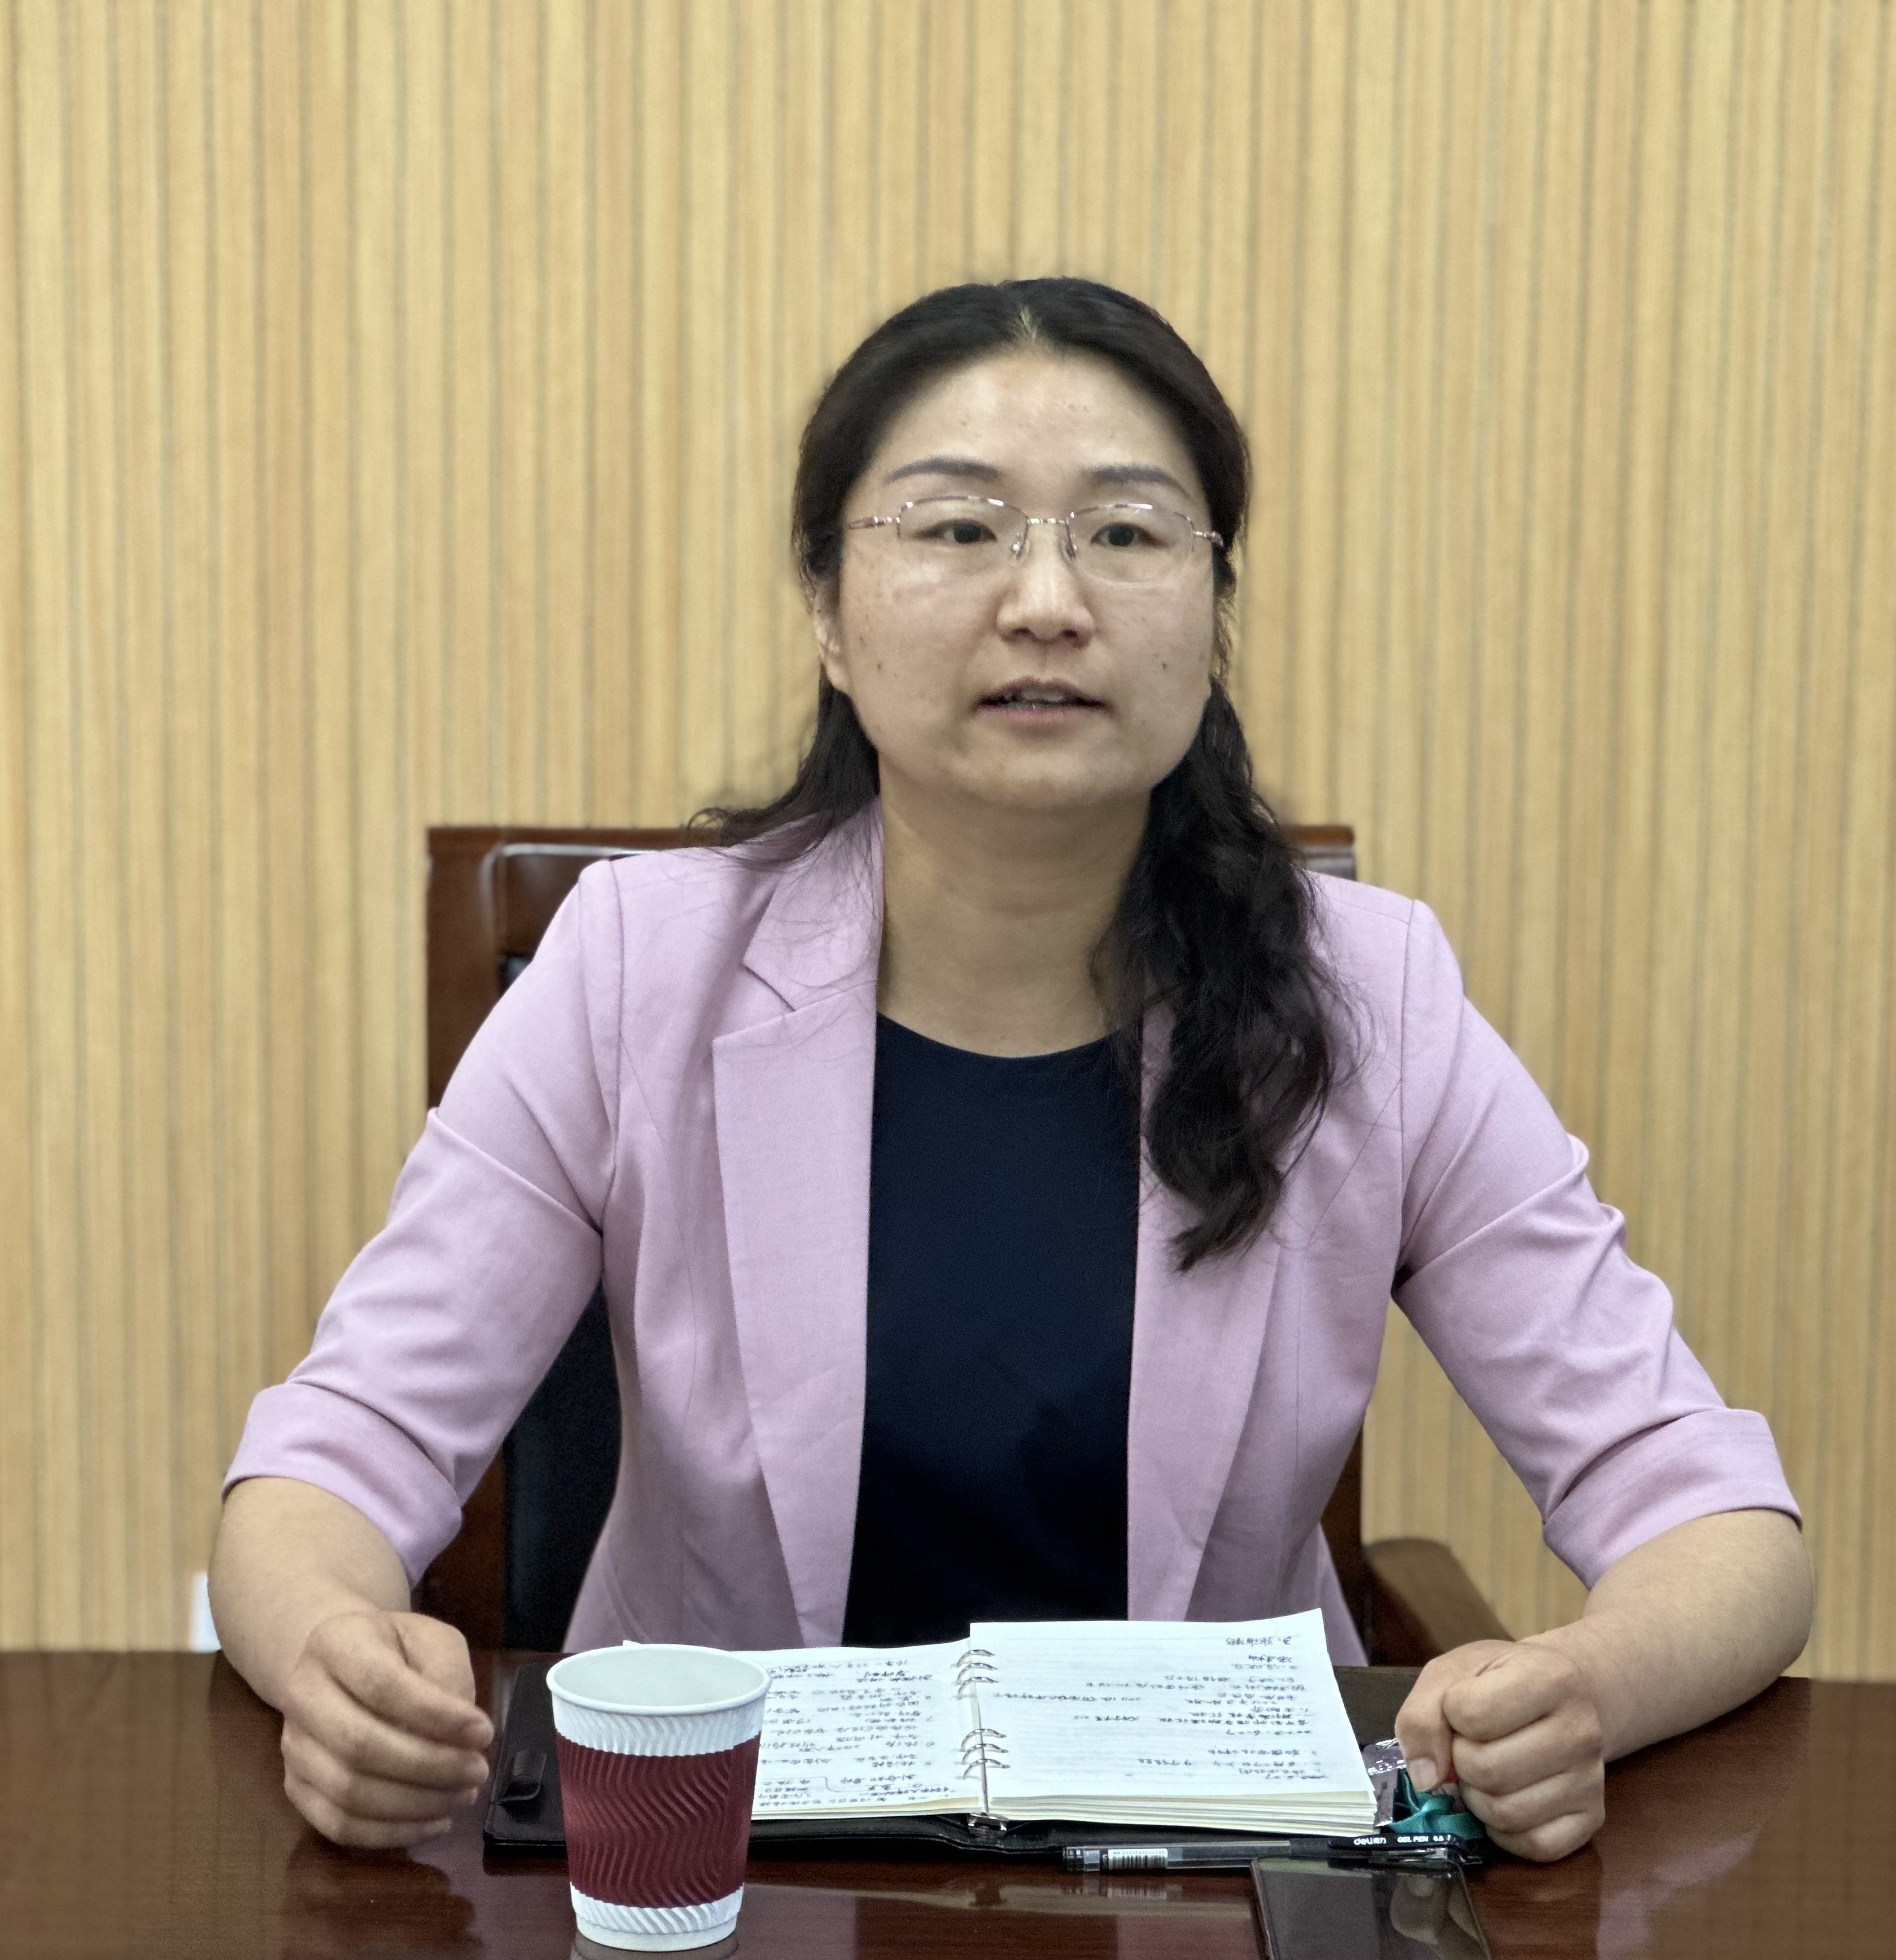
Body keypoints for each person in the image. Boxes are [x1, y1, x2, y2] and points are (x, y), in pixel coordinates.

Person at [211, 278, 1813, 1864]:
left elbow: (1712, 1516)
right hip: (722, 1872)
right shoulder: (640, 967)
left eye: (1124, 532)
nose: (1047, 600)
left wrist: (1583, 1689)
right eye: (960, 527)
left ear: (1211, 614)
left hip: (1209, 1876)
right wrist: (335, 1653)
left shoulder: (1367, 996)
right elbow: (340, 1451)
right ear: (830, 614)